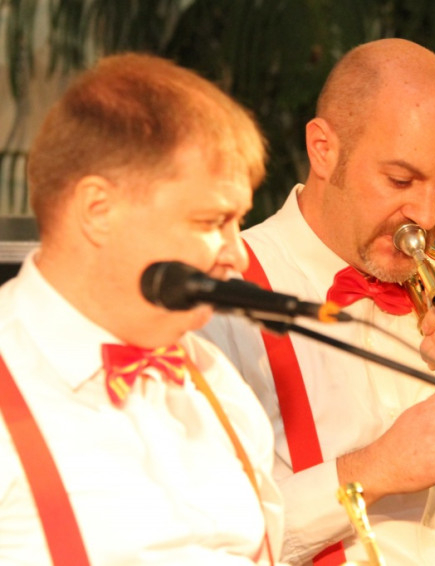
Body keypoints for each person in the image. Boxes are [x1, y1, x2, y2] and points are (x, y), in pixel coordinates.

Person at [201, 38, 435, 565]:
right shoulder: (222, 293)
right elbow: (208, 536)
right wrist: (375, 469)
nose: (426, 216)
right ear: (323, 149)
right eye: (400, 180)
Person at [0, 53, 287, 564]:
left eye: (238, 221)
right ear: (99, 211)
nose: (238, 255)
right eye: (211, 221)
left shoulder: (215, 380)